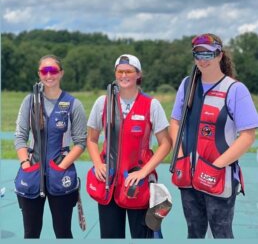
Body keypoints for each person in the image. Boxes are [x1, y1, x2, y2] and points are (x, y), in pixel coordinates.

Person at [170, 33, 258, 239]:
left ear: (219, 55)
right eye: (198, 55)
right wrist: (181, 155)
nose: (203, 60)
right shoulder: (187, 84)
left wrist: (216, 166)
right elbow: (175, 122)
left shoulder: (235, 90)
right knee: (194, 233)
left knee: (221, 233)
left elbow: (247, 136)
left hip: (219, 175)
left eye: (209, 55)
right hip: (188, 175)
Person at [86, 54, 171, 238]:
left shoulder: (151, 105)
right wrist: (98, 164)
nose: (124, 75)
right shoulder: (102, 102)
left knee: (142, 237)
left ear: (138, 74)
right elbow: (91, 139)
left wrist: (144, 172)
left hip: (137, 185)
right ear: (115, 74)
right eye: (120, 71)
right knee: (110, 237)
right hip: (109, 183)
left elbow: (166, 143)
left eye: (129, 71)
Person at [14, 55, 87, 238]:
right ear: (39, 74)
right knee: (30, 233)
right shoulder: (29, 102)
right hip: (32, 173)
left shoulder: (73, 104)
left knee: (63, 232)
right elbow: (20, 137)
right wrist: (25, 164)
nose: (49, 75)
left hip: (61, 176)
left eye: (53, 70)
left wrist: (60, 167)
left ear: (61, 73)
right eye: (44, 71)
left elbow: (80, 142)